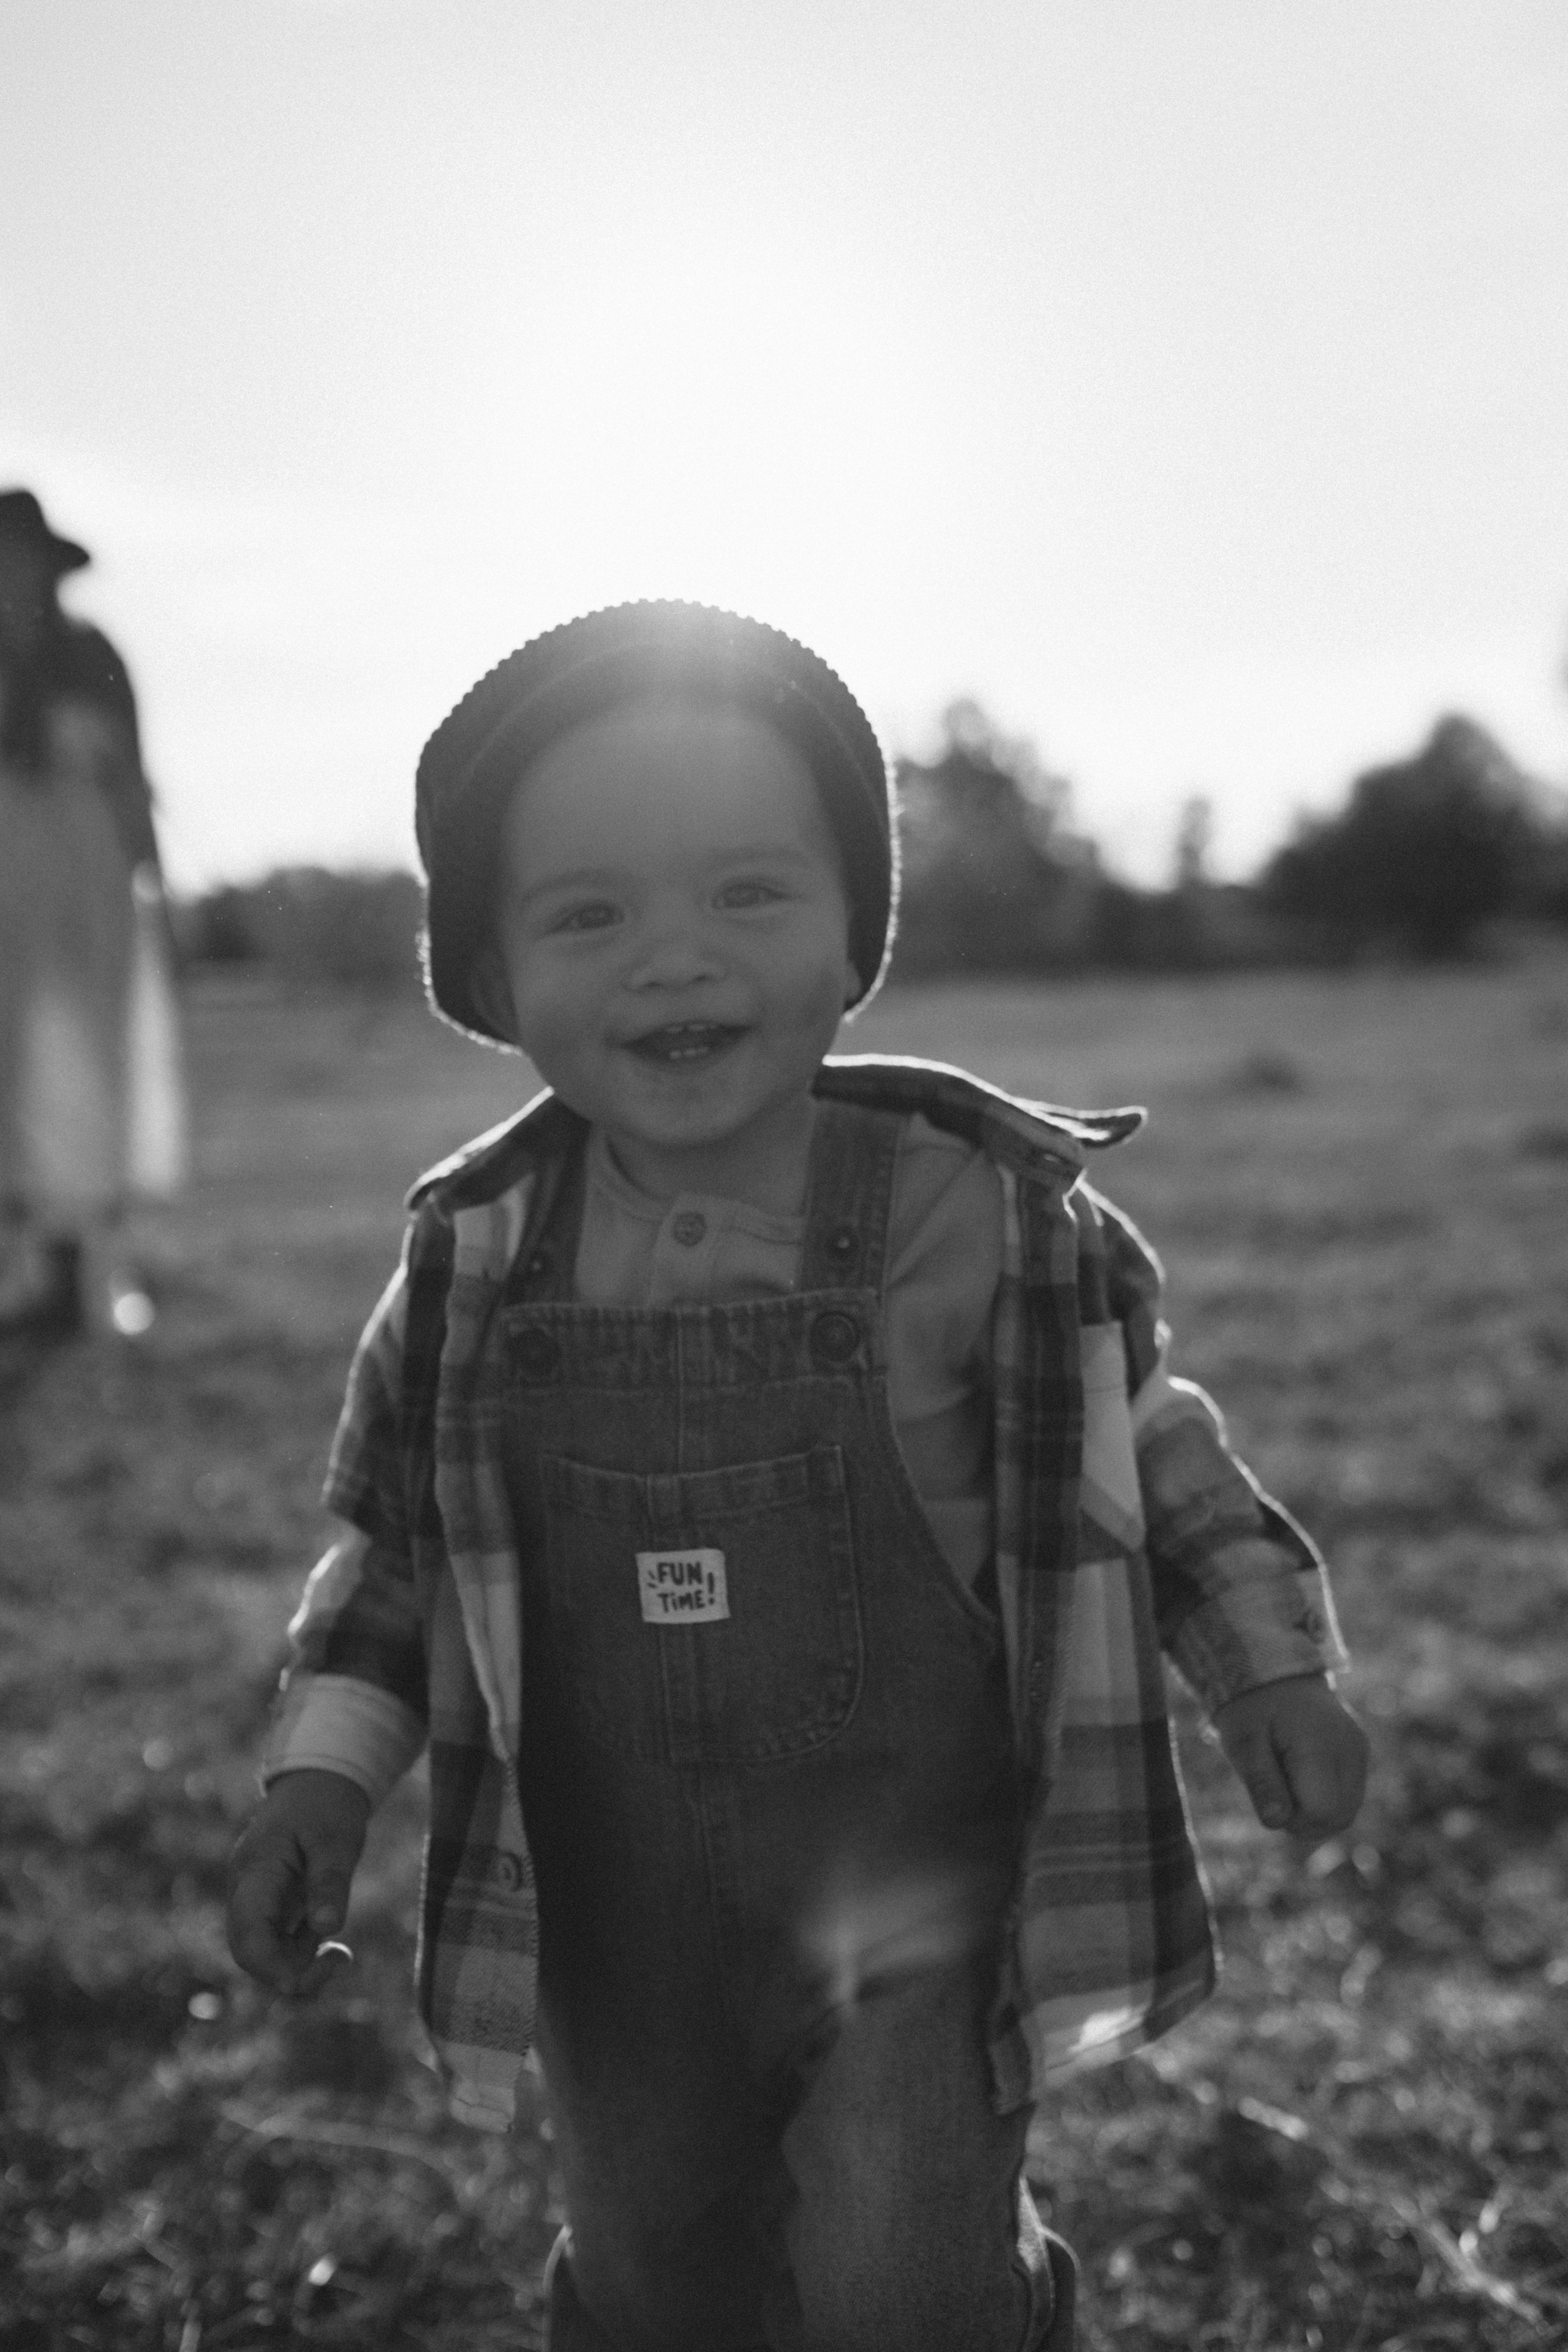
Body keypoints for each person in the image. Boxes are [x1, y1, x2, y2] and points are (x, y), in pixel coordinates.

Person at [226, 602, 1368, 2351]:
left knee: (901, 2271)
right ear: (494, 981)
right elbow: (396, 1564)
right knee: (657, 2270)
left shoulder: (973, 1212)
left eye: (748, 893)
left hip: (916, 1896)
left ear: (854, 939)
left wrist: (1269, 1662)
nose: (674, 959)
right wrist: (321, 1781)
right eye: (590, 913)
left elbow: (1150, 1451)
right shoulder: (471, 1268)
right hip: (613, 1929)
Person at [0, 487, 184, 1338]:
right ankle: (23, 1266)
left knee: (79, 1061)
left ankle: (84, 1265)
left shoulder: (90, 656)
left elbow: (130, 784)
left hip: (81, 885)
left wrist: (156, 895)